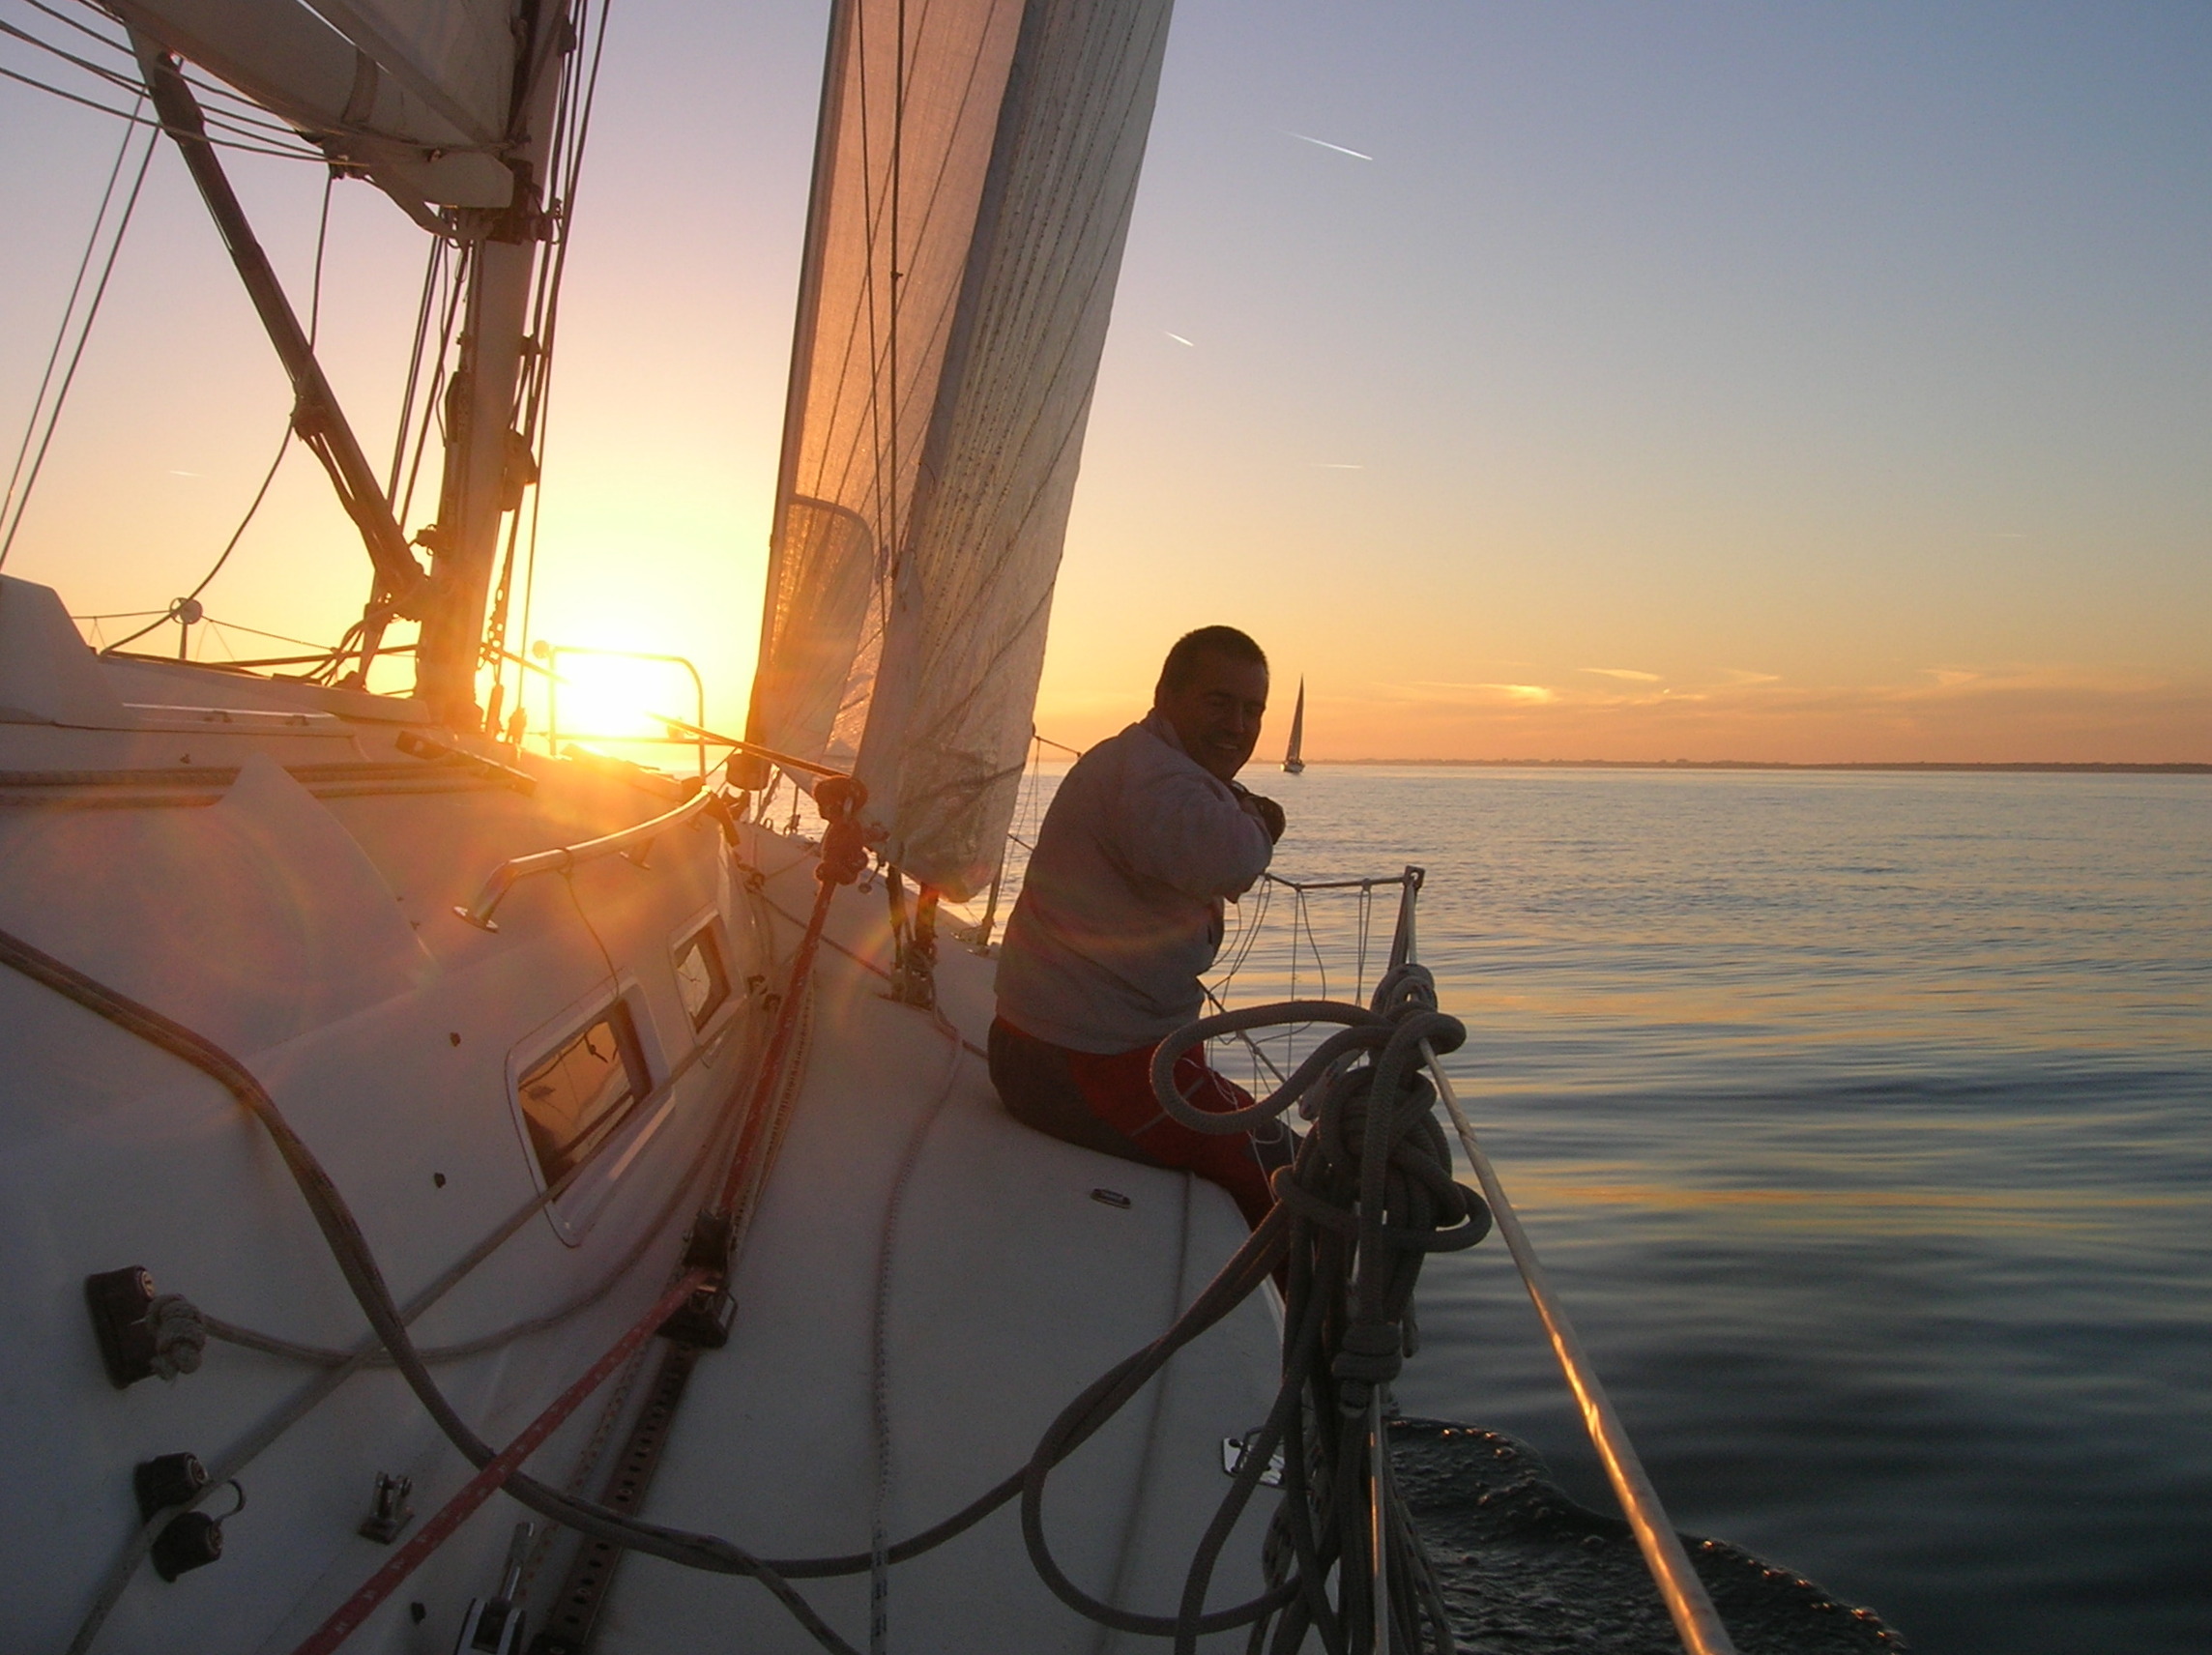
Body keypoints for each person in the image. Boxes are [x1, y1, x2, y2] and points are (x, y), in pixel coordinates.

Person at [989, 625, 1291, 1227]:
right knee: (1288, 1177)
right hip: (1077, 1067)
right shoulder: (1154, 781)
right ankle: (1321, 1320)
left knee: (1281, 1149)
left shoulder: (1144, 759)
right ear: (1166, 696)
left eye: (1252, 710)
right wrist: (1258, 816)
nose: (1238, 725)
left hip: (1090, 1049)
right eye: (1218, 702)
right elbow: (1231, 857)